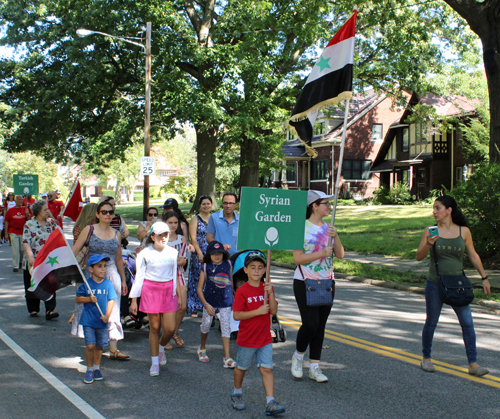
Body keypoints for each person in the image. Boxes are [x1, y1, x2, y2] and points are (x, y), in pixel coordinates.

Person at [416, 195, 490, 376]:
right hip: (435, 284)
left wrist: (484, 277)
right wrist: (428, 243)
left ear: (449, 210)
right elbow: (419, 256)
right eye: (433, 208)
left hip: (457, 285)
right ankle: (426, 359)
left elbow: (473, 255)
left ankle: (473, 365)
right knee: (431, 322)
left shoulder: (463, 232)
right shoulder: (431, 230)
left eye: (438, 208)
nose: (434, 212)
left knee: (467, 324)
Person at [291, 190, 344, 383]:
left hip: (327, 281)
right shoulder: (301, 228)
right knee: (310, 324)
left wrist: (336, 236)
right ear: (314, 205)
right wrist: (321, 253)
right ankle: (298, 357)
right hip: (305, 281)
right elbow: (297, 258)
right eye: (325, 204)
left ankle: (315, 366)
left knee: (320, 326)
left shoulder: (329, 228)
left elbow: (340, 255)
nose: (329, 207)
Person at [72, 201, 129, 360]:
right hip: (92, 275)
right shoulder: (89, 230)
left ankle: (113, 349)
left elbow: (118, 259)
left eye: (110, 212)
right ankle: (95, 345)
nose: (107, 215)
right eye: (104, 212)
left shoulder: (116, 233)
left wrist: (123, 280)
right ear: (97, 214)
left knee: (113, 310)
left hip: (111, 276)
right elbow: (74, 251)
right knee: (93, 310)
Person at [231, 251, 285, 415]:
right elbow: (237, 315)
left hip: (264, 338)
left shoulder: (266, 288)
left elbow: (273, 311)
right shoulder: (242, 291)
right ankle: (237, 393)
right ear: (246, 270)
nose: (256, 271)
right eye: (252, 267)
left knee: (267, 369)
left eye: (260, 268)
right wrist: (258, 311)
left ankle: (271, 402)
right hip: (247, 338)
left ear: (264, 271)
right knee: (242, 367)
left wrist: (271, 293)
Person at [129, 222, 179, 377]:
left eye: (166, 234)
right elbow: (139, 277)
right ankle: (155, 362)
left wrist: (178, 294)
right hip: (150, 290)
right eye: (160, 235)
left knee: (170, 329)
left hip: (168, 291)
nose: (163, 238)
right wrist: (133, 300)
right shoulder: (144, 253)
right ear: (152, 236)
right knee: (155, 328)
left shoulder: (173, 252)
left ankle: (161, 347)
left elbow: (175, 274)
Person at [76, 254, 117, 384]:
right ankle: (89, 369)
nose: (103, 269)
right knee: (90, 346)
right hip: (88, 320)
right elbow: (78, 298)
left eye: (104, 266)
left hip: (102, 321)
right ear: (91, 269)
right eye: (99, 266)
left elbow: (111, 300)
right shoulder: (86, 284)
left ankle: (97, 368)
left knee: (99, 346)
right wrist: (88, 299)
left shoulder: (108, 284)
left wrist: (107, 315)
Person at [196, 240, 236, 367]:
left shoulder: (228, 264)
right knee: (206, 325)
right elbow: (199, 289)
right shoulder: (205, 267)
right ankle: (202, 348)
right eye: (214, 254)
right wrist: (206, 304)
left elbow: (231, 282)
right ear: (209, 255)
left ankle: (227, 358)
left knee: (226, 328)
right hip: (210, 302)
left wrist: (234, 298)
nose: (217, 256)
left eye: (220, 253)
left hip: (225, 303)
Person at [21, 200, 59, 319]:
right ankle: (33, 308)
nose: (48, 211)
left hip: (48, 260)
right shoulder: (29, 224)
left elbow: (59, 236)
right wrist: (30, 256)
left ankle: (50, 310)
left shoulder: (51, 223)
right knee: (32, 283)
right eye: (45, 210)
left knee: (50, 284)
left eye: (48, 209)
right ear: (37, 212)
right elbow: (26, 241)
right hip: (34, 259)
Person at [164, 210, 189, 349]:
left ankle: (174, 331)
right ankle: (166, 336)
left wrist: (170, 260)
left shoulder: (182, 239)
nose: (173, 225)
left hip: (178, 274)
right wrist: (175, 260)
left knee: (182, 306)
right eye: (170, 223)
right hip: (164, 275)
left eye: (175, 222)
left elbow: (183, 261)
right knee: (167, 307)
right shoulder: (161, 239)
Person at [187, 195, 212, 316]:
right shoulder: (195, 219)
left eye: (208, 203)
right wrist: (200, 253)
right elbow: (193, 238)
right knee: (197, 279)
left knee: (210, 279)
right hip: (199, 253)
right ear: (200, 206)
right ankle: (194, 305)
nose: (206, 206)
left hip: (213, 253)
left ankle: (207, 305)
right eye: (204, 204)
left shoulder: (214, 218)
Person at [5, 195, 30, 272]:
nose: (20, 201)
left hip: (23, 232)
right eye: (18, 200)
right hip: (13, 232)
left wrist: (27, 214)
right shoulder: (10, 210)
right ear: (15, 200)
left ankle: (20, 262)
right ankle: (15, 266)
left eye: (21, 200)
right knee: (15, 249)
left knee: (22, 250)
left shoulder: (25, 209)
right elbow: (6, 221)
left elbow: (29, 221)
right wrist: (6, 233)